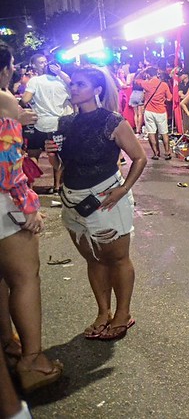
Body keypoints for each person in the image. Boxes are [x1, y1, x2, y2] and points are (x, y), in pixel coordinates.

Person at [52, 66, 146, 343]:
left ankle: (123, 313)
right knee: (93, 259)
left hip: (106, 198)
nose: (74, 89)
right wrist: (52, 157)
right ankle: (103, 312)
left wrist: (124, 189)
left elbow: (139, 158)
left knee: (117, 258)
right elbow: (62, 163)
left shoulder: (111, 121)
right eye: (73, 85)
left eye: (80, 84)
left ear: (97, 90)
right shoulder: (65, 123)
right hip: (73, 201)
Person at [0, 43, 63, 393]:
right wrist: (27, 206)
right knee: (24, 278)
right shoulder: (4, 100)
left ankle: (10, 344)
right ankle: (33, 361)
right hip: (3, 204)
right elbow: (7, 163)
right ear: (7, 68)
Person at [21, 54, 72, 194]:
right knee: (55, 155)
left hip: (39, 123)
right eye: (42, 62)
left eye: (45, 62)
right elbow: (72, 94)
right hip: (58, 124)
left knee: (33, 154)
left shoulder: (34, 81)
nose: (44, 64)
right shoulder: (62, 82)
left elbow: (25, 100)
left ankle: (30, 188)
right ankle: (56, 187)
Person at [136, 67, 173, 160]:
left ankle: (156, 153)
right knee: (164, 132)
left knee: (151, 133)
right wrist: (163, 100)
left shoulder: (146, 84)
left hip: (149, 112)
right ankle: (167, 152)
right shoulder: (164, 85)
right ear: (157, 74)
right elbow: (169, 98)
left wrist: (142, 71)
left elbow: (136, 80)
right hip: (161, 111)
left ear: (148, 74)